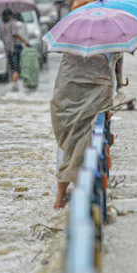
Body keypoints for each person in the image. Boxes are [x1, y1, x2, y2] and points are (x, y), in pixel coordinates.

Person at [50, 52, 123, 209]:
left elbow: (64, 83)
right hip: (89, 108)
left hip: (66, 109)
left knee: (69, 151)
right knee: (82, 152)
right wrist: (106, 106)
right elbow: (105, 85)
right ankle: (75, 198)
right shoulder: (109, 47)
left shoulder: (71, 46)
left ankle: (61, 197)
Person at [0, 8, 29, 91]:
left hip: (7, 48)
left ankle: (13, 83)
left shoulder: (1, 24)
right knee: (16, 67)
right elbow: (15, 34)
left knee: (11, 66)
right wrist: (25, 41)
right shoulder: (13, 23)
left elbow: (1, 38)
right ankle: (14, 84)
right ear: (11, 15)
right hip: (15, 47)